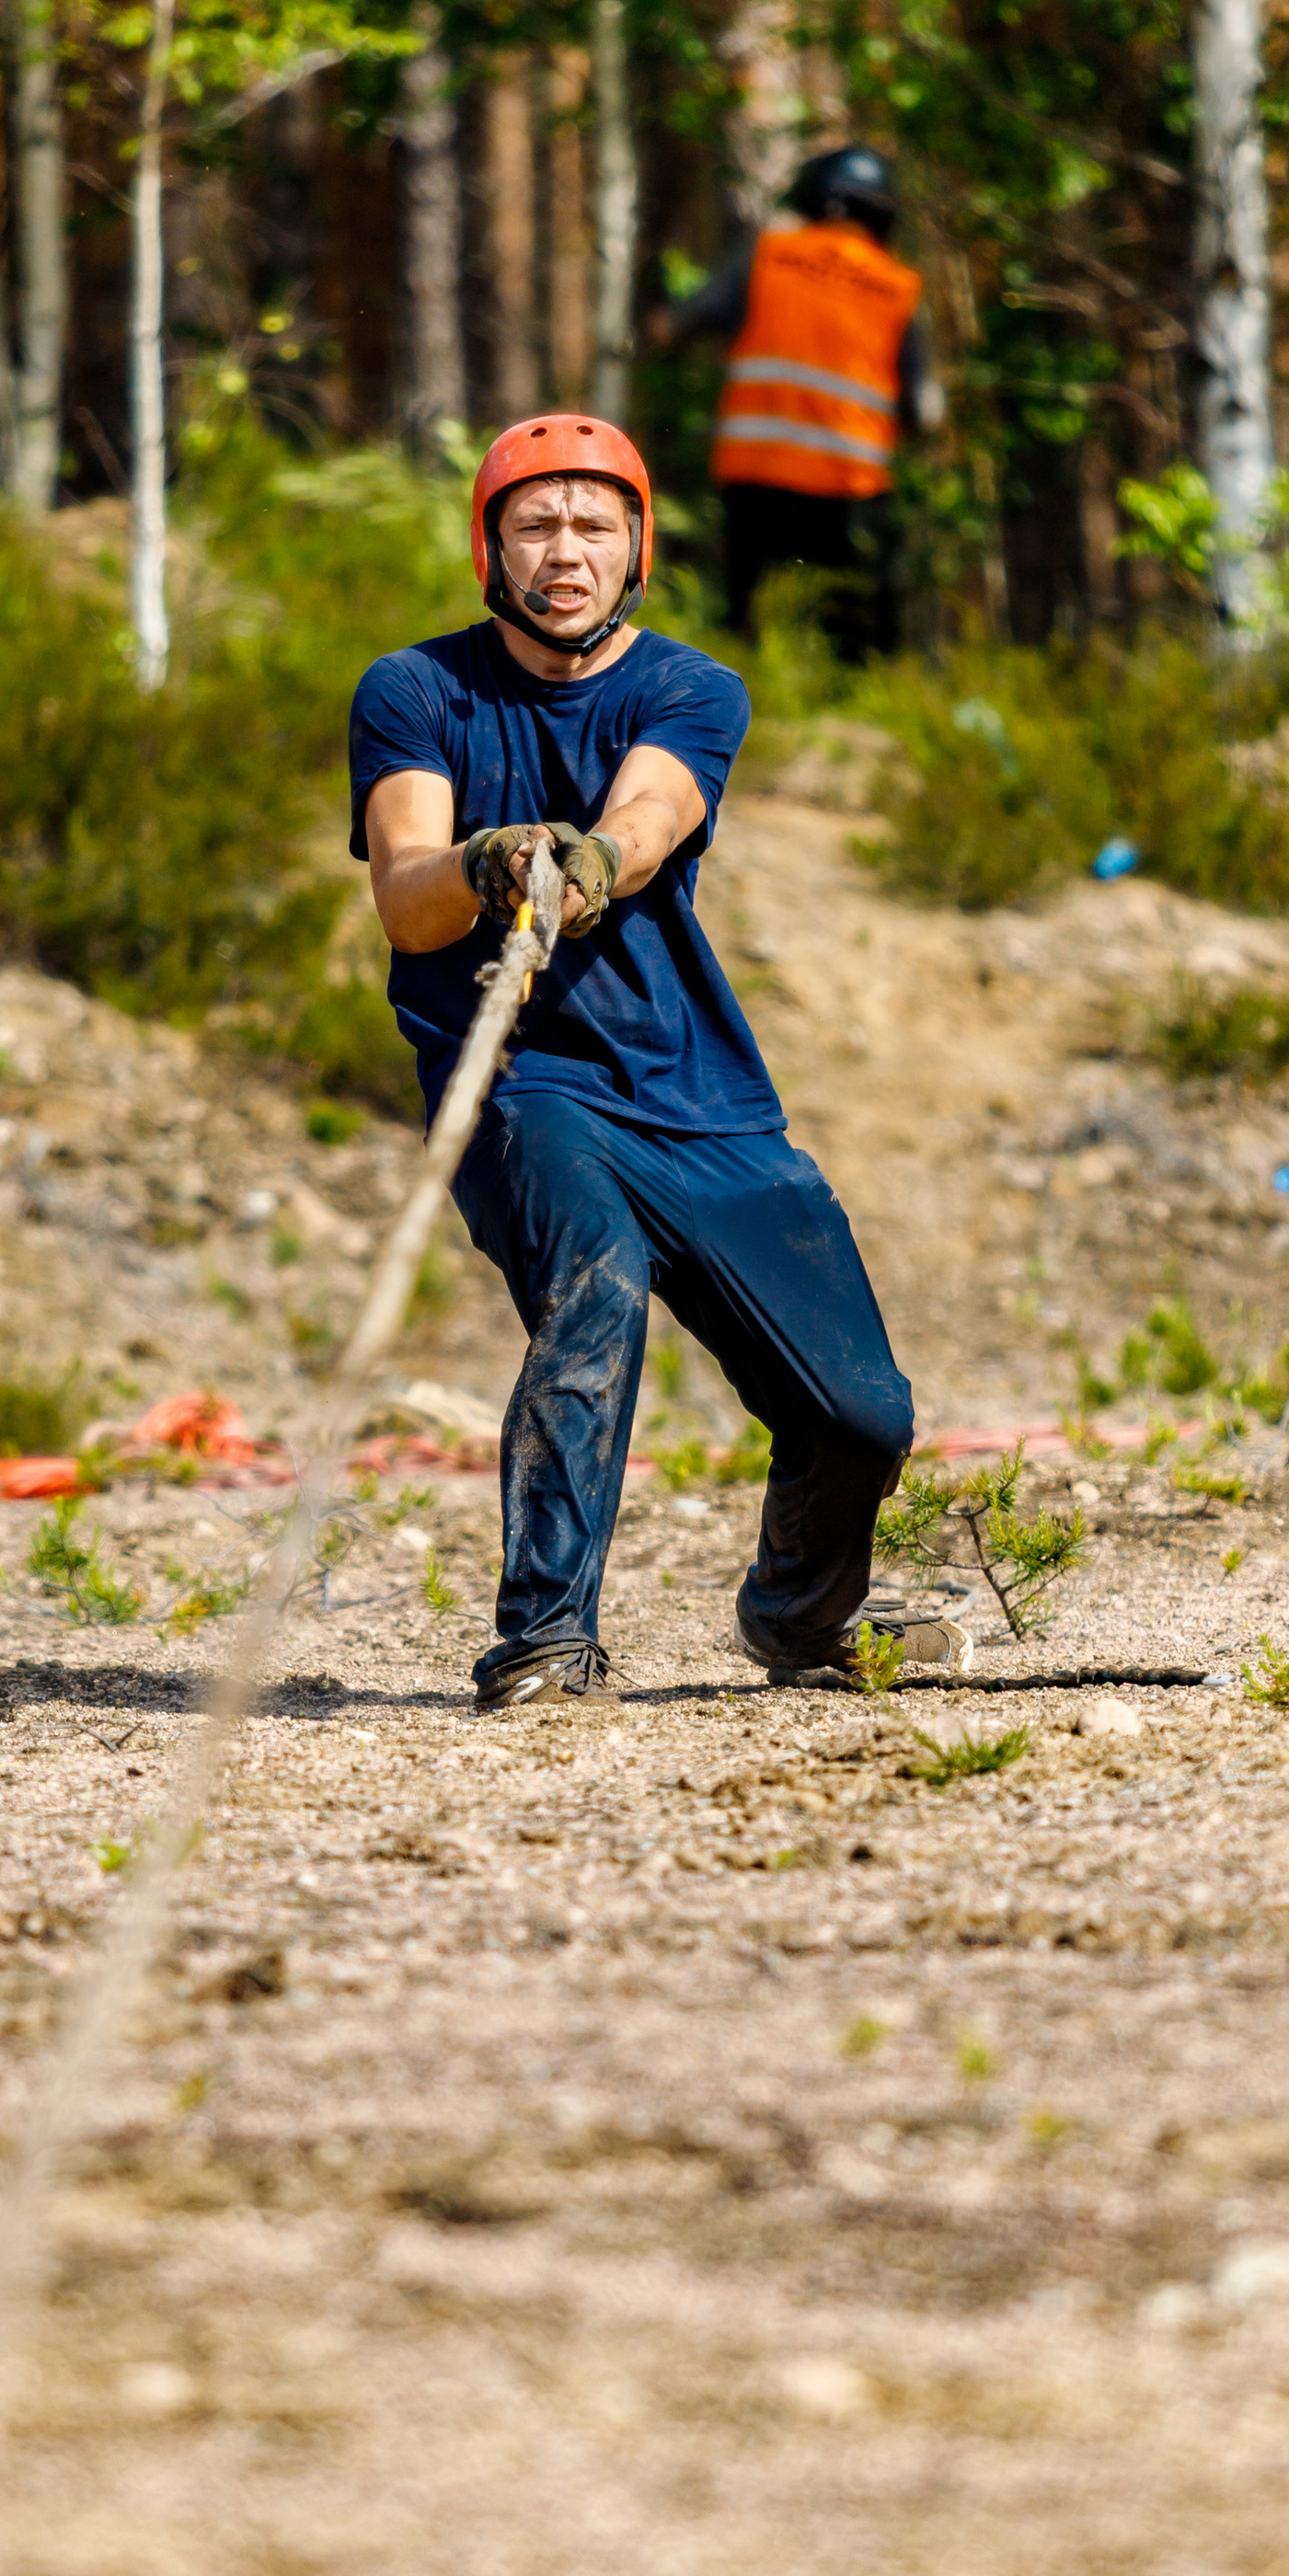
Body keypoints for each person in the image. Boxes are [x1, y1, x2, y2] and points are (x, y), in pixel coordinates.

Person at [349, 408, 942, 1711]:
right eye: (535, 524)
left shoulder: (693, 687)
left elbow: (657, 806)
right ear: (490, 548)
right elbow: (404, 894)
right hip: (518, 1082)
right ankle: (546, 1640)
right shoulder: (414, 691)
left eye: (593, 526)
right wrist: (489, 863)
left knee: (860, 1418)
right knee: (593, 1292)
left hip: (694, 1089)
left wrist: (598, 859)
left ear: (637, 550)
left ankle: (796, 1616)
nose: (564, 550)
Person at [658, 144, 943, 662]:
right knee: (852, 626)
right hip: (850, 483)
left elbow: (679, 324)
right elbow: (924, 407)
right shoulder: (898, 287)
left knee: (747, 618)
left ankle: (749, 705)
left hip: (757, 472)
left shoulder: (769, 254)